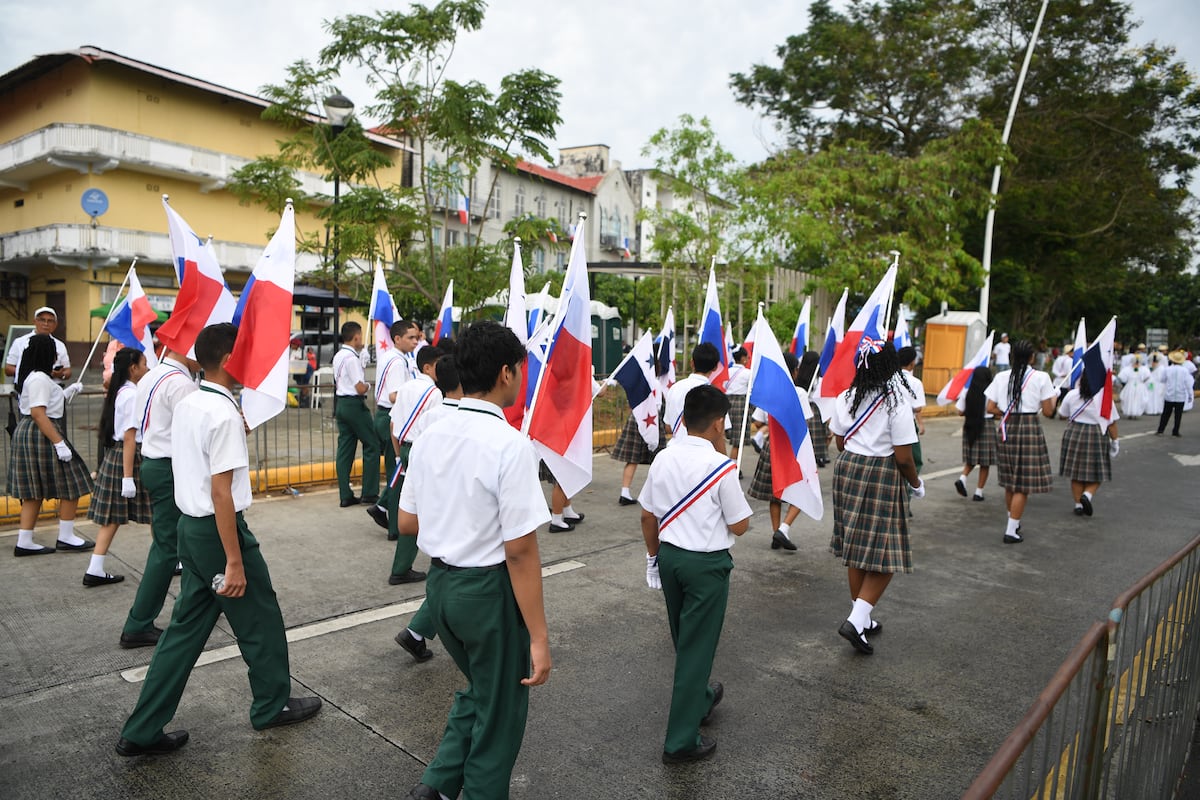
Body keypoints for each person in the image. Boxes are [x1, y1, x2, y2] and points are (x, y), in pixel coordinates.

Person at [115, 323, 321, 757]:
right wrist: (234, 560)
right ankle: (271, 704)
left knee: (185, 631)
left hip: (191, 529)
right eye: (244, 354)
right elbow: (221, 492)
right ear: (228, 361)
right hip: (217, 531)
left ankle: (142, 727)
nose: (252, 362)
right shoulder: (222, 412)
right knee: (260, 618)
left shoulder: (194, 401)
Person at [396, 320, 551, 800]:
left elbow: (406, 522)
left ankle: (439, 784)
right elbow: (521, 551)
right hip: (487, 594)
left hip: (441, 590)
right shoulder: (509, 444)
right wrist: (541, 639)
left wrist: (454, 521)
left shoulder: (432, 435)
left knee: (481, 688)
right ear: (506, 373)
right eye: (520, 370)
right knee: (501, 715)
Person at [639, 384, 752, 764]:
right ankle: (680, 741)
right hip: (706, 566)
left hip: (669, 558)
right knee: (695, 651)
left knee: (685, 641)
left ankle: (702, 697)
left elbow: (646, 515)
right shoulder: (722, 467)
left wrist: (653, 557)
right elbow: (739, 526)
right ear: (719, 424)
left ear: (684, 418)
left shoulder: (663, 458)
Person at [827, 340, 924, 655]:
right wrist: (916, 483)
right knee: (885, 554)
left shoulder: (846, 397)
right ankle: (856, 620)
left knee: (856, 547)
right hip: (880, 473)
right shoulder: (896, 404)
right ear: (890, 367)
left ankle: (862, 618)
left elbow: (839, 442)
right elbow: (904, 457)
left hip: (848, 468)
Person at [119, 345, 199, 648]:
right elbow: (195, 432)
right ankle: (138, 623)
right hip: (170, 466)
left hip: (156, 462)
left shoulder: (155, 375)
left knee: (180, 543)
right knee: (170, 547)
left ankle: (196, 605)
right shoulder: (181, 383)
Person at [394, 355, 463, 664]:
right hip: (455, 505)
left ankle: (418, 633)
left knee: (446, 570)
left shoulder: (433, 414)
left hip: (430, 502)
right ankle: (418, 632)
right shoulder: (464, 419)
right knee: (456, 574)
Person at [7, 334, 94, 556]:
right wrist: (59, 443)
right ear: (46, 353)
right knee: (73, 481)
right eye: (53, 350)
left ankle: (25, 541)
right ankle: (65, 537)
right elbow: (37, 412)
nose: (56, 355)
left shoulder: (38, 377)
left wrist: (67, 392)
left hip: (37, 431)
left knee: (34, 491)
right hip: (41, 432)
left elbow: (45, 405)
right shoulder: (38, 378)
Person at [84, 347, 151, 586]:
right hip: (130, 457)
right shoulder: (131, 394)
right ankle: (171, 559)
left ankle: (95, 568)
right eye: (144, 364)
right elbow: (130, 436)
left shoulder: (121, 390)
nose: (147, 368)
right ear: (133, 369)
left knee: (112, 517)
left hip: (119, 456)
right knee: (156, 511)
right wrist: (127, 477)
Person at [984, 339, 1057, 544]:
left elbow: (990, 408)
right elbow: (1050, 411)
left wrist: (1006, 413)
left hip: (1007, 427)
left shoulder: (1001, 376)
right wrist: (1054, 398)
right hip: (1029, 427)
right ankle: (1010, 530)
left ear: (1012, 356)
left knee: (1010, 480)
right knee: (1022, 484)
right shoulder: (1041, 377)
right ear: (1032, 357)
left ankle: (1013, 522)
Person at [383, 345, 445, 584]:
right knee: (426, 508)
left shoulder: (406, 387)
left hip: (406, 448)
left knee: (409, 505)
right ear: (428, 366)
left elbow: (393, 426)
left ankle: (402, 564)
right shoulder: (435, 394)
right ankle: (402, 568)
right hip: (422, 451)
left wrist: (399, 455)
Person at [747, 352, 810, 551]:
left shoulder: (769, 392)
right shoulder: (799, 392)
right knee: (804, 491)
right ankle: (783, 528)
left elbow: (757, 422)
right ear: (794, 371)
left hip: (772, 447)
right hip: (792, 447)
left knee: (776, 494)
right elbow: (805, 421)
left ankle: (776, 533)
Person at [372, 320, 422, 511]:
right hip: (390, 417)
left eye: (416, 338)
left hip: (385, 415)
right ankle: (392, 519)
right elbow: (394, 395)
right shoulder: (397, 361)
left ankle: (384, 509)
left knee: (395, 470)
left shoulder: (392, 357)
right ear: (397, 339)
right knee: (397, 473)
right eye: (411, 338)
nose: (415, 342)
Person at [1058, 371, 1120, 517]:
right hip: (1096, 434)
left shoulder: (1072, 394)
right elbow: (1111, 423)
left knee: (1076, 472)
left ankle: (1078, 505)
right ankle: (1087, 495)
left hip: (1074, 433)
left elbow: (1062, 414)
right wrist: (1115, 441)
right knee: (1099, 471)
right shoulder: (1103, 397)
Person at [332, 321, 380, 507]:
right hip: (354, 404)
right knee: (372, 445)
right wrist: (369, 385)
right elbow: (360, 388)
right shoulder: (351, 358)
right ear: (357, 337)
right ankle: (369, 491)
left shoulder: (339, 356)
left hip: (342, 403)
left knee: (345, 449)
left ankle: (345, 493)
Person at [954, 366, 997, 502]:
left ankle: (963, 478)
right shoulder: (991, 392)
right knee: (985, 462)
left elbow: (960, 412)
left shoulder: (967, 392)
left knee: (972, 457)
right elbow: (994, 410)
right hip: (987, 426)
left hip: (970, 425)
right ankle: (978, 492)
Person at [664, 343, 722, 442]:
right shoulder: (715, 395)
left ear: (692, 363)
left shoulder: (674, 388)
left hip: (674, 449)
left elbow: (668, 427)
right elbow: (719, 431)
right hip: (702, 452)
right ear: (715, 367)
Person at [4, 306, 72, 382]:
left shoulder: (60, 345)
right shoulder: (20, 342)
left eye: (50, 321)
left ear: (55, 324)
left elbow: (68, 371)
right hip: (26, 390)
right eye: (42, 320)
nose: (46, 324)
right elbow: (8, 369)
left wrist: (59, 375)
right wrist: (31, 373)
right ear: (34, 321)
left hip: (54, 390)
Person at [797, 352, 831, 467]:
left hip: (801, 411)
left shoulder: (798, 379)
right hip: (815, 413)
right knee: (814, 445)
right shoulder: (819, 381)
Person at [897, 346, 926, 475]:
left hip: (889, 421)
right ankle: (910, 487)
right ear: (912, 363)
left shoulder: (889, 378)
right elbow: (918, 407)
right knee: (914, 458)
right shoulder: (915, 382)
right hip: (908, 423)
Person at [725, 347, 753, 466]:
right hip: (740, 404)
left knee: (723, 436)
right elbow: (751, 390)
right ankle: (733, 466)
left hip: (725, 403)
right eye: (747, 357)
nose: (748, 359)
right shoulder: (748, 373)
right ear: (742, 358)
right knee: (738, 440)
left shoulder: (727, 371)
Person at [1157, 349, 1192, 437]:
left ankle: (1161, 430)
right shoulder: (1185, 371)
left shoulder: (1167, 369)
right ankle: (1175, 431)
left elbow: (1162, 380)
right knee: (1178, 415)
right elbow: (1188, 383)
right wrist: (1190, 394)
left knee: (1165, 414)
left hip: (1169, 394)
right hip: (1180, 395)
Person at [1145, 350, 1166, 417]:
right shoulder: (1148, 367)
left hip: (1158, 384)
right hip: (1151, 384)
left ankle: (1157, 409)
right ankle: (1150, 410)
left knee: (1158, 397)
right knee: (1150, 397)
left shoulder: (1161, 368)